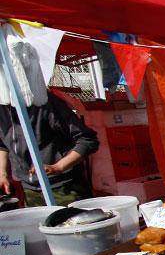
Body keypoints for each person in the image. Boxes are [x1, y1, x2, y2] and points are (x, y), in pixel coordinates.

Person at [0, 33, 98, 206]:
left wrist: (58, 167)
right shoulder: (2, 108)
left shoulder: (46, 103)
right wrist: (2, 174)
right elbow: (2, 144)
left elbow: (87, 140)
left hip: (65, 188)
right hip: (30, 189)